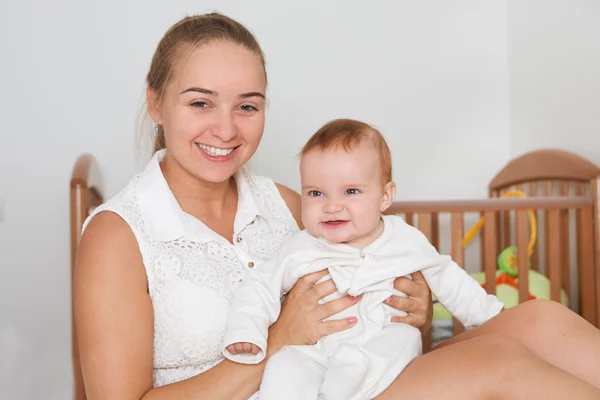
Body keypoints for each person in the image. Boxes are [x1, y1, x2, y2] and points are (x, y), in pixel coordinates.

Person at [73, 12, 600, 400]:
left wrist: (414, 316)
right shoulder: (120, 234)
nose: (226, 129)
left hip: (350, 377)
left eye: (247, 106)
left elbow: (360, 288)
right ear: (156, 102)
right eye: (201, 102)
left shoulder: (284, 203)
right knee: (497, 361)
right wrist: (277, 341)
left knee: (543, 319)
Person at [222, 119, 505, 400]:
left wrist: (490, 314)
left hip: (380, 340)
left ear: (385, 196)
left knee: (404, 338)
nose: (332, 206)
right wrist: (246, 331)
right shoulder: (301, 247)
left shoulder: (405, 240)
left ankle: (352, 379)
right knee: (285, 364)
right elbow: (261, 285)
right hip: (318, 349)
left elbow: (448, 277)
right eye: (316, 193)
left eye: (351, 191)